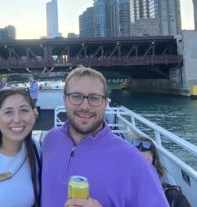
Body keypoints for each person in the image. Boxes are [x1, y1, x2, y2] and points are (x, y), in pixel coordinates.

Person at [41, 65, 169, 207]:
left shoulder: (135, 163)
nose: (85, 106)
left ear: (105, 102)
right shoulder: (50, 141)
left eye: (94, 98)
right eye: (76, 96)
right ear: (65, 99)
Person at [133, 136, 192, 207]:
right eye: (138, 160)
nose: (143, 165)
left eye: (147, 160)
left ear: (154, 160)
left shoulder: (173, 195)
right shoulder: (126, 188)